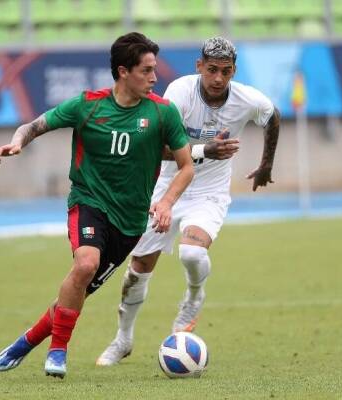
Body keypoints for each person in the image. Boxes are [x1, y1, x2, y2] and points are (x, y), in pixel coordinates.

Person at [0, 32, 194, 378]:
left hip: (129, 225)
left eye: (154, 69)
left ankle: (26, 341)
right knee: (85, 264)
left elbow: (186, 165)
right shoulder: (88, 106)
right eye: (146, 70)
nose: (154, 77)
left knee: (78, 290)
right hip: (88, 202)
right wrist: (17, 142)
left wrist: (166, 201)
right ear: (123, 71)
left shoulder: (163, 113)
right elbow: (34, 125)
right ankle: (58, 352)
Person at [96, 36, 281, 366]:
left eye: (226, 72)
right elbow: (158, 148)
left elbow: (273, 116)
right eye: (212, 70)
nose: (218, 79)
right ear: (200, 67)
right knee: (138, 269)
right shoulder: (179, 93)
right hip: (166, 188)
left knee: (193, 252)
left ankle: (194, 298)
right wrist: (204, 151)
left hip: (208, 192)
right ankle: (123, 339)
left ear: (234, 71)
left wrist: (266, 164)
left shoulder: (246, 99)